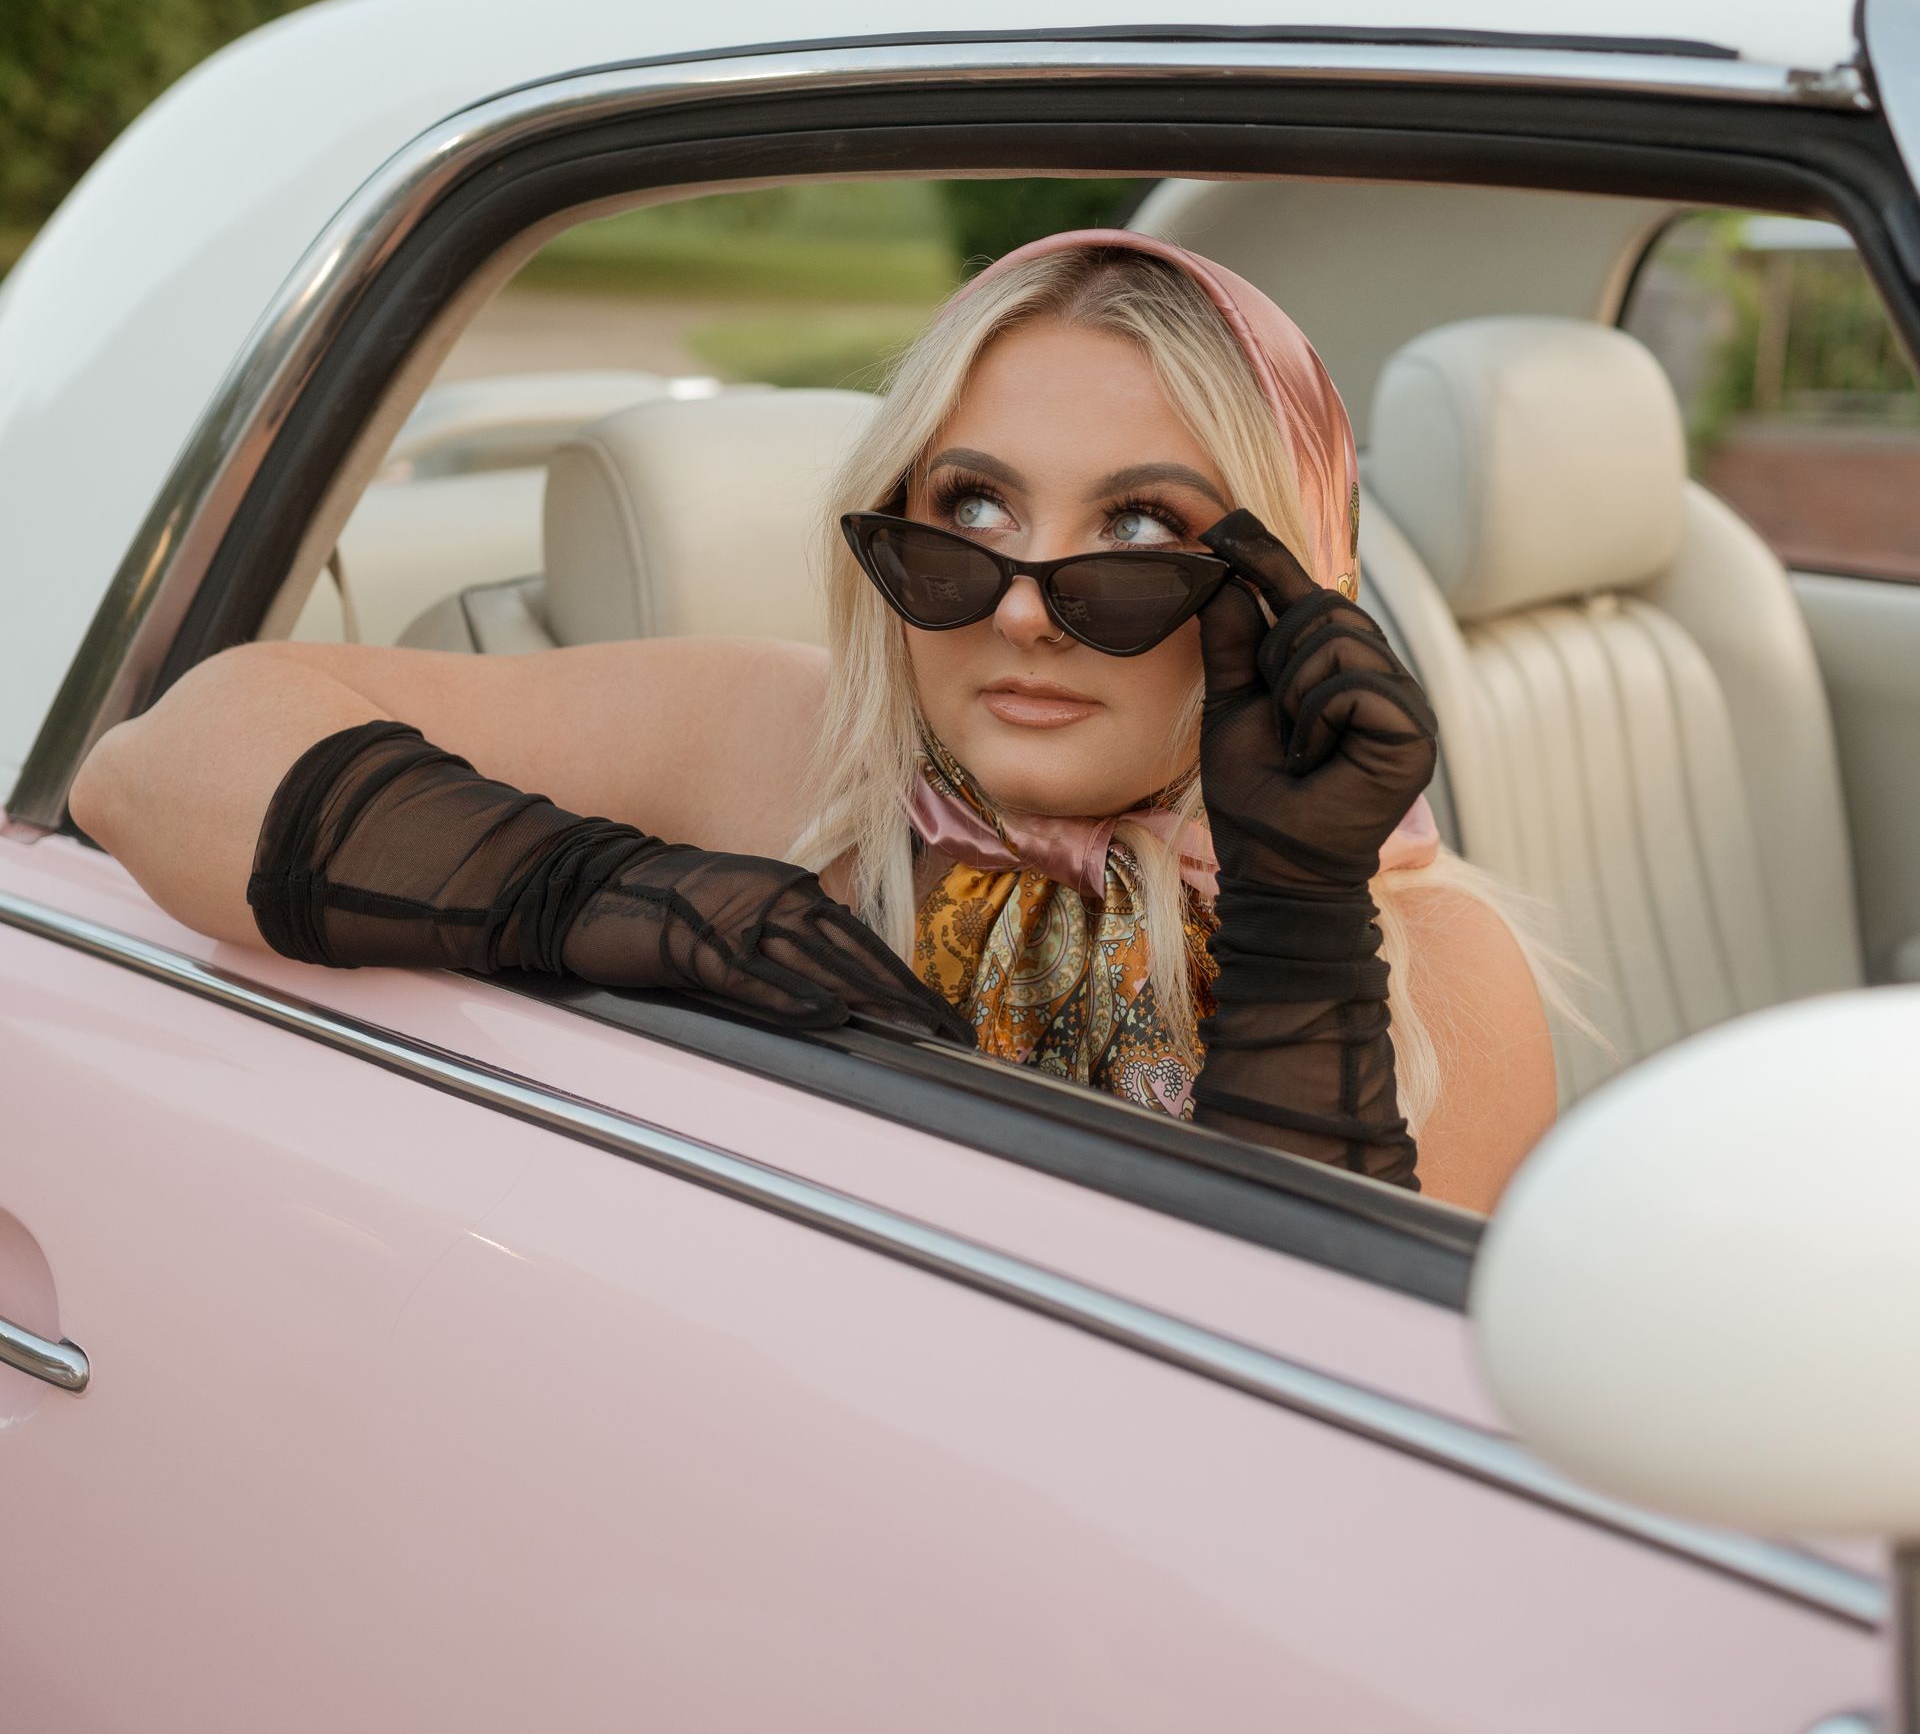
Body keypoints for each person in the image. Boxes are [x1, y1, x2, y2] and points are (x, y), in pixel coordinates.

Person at [72, 231, 1558, 1212]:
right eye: (970, 507)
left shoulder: (1433, 979)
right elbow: (151, 769)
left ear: (1286, 591)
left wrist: (1297, 922)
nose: (1025, 608)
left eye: (1139, 527)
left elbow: (1316, 1456)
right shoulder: (791, 754)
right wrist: (605, 891)